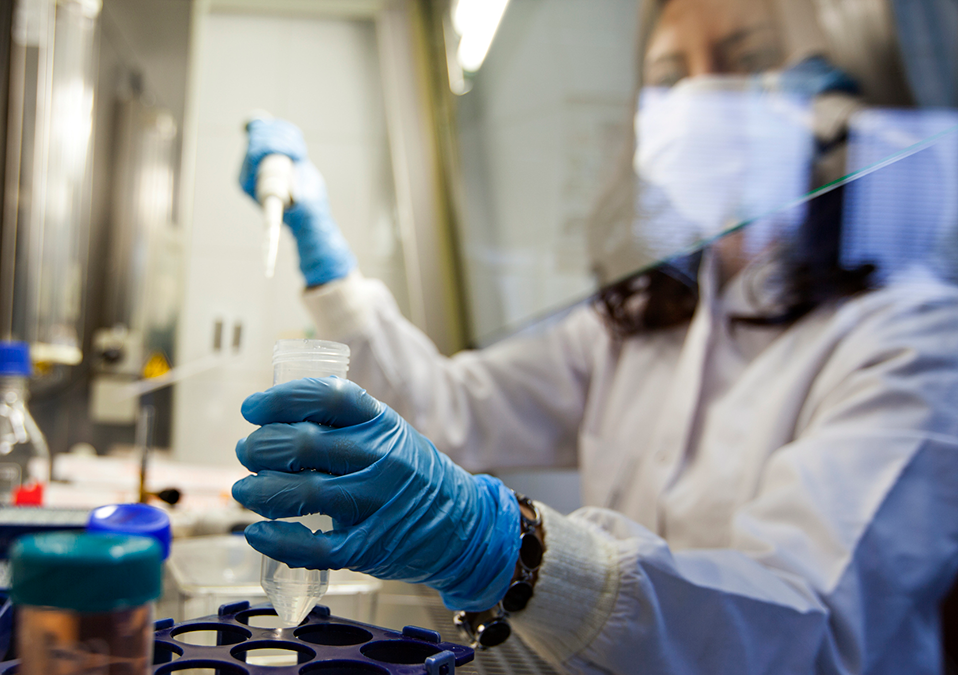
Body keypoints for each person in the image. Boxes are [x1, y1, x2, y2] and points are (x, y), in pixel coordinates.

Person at [230, 0, 958, 672]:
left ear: (840, 94)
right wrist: (332, 271)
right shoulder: (647, 314)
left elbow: (810, 631)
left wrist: (515, 551)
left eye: (746, 58)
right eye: (671, 78)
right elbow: (449, 408)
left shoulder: (913, 340)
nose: (703, 99)